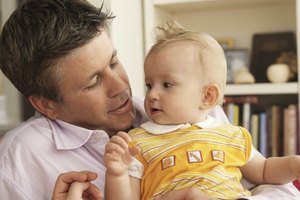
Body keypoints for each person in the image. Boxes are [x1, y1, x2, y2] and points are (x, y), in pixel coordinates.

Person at [0, 0, 298, 199]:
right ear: (45, 104)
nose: (121, 87)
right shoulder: (19, 160)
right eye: (93, 81)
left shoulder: (185, 109)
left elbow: (281, 190)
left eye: (114, 62)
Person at [104, 21, 300, 200]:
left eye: (167, 84)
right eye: (149, 84)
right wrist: (117, 173)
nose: (152, 94)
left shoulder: (229, 134)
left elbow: (264, 170)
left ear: (207, 96)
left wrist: (292, 165)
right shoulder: (137, 143)